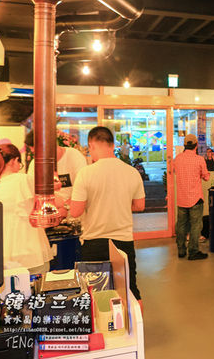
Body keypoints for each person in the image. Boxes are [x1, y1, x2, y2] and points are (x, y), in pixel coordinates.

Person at [69, 127, 145, 302]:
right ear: (112, 145)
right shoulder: (132, 172)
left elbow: (75, 211)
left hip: (94, 241)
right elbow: (139, 205)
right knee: (130, 291)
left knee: (95, 293)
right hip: (123, 242)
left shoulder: (86, 173)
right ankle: (137, 321)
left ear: (91, 145)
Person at [0, 144, 53, 274]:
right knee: (37, 285)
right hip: (32, 252)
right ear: (15, 160)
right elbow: (51, 201)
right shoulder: (24, 180)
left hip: (3, 256)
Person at [26, 130, 87, 207]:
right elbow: (33, 192)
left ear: (48, 145)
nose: (35, 155)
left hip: (73, 209)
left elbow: (83, 188)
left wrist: (66, 207)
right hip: (48, 208)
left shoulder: (74, 156)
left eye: (37, 151)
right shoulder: (35, 163)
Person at [173, 134, 210, 260]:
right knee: (196, 225)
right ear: (196, 145)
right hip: (195, 198)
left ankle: (181, 250)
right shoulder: (199, 159)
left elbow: (175, 172)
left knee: (181, 225)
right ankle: (193, 251)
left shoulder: (177, 159)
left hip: (182, 198)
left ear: (184, 145)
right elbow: (206, 177)